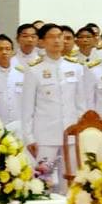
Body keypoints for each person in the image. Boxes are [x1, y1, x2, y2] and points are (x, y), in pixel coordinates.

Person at [20, 23, 85, 191]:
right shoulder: (34, 70)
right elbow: (27, 108)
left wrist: (81, 132)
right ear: (42, 42)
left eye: (60, 36)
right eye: (51, 37)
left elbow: (80, 105)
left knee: (72, 182)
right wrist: (29, 137)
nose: (57, 40)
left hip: (70, 135)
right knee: (43, 182)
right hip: (45, 136)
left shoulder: (75, 68)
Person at [0, 34, 26, 132]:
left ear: (12, 52)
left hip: (20, 127)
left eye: (8, 49)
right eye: (0, 49)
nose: (4, 52)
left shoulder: (22, 75)